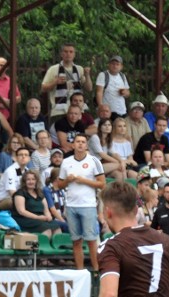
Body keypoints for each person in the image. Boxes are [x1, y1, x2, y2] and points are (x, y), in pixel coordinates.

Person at [55, 134, 105, 270]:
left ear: (87, 145)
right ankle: (80, 271)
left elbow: (102, 184)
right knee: (76, 241)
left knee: (91, 240)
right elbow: (59, 185)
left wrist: (83, 181)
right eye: (78, 142)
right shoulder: (66, 162)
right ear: (73, 145)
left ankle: (96, 271)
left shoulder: (94, 161)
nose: (80, 144)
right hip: (71, 205)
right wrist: (68, 181)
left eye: (83, 142)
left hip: (88, 205)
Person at [41, 43, 92, 120]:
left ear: (74, 54)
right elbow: (43, 88)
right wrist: (55, 82)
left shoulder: (79, 69)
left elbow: (89, 88)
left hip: (77, 111)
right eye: (66, 51)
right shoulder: (53, 69)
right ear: (61, 54)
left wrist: (87, 75)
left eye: (71, 52)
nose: (68, 54)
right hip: (59, 111)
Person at [11, 170, 62, 238]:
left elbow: (46, 210)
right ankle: (41, 246)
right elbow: (21, 211)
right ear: (24, 181)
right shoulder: (20, 193)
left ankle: (55, 247)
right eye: (28, 179)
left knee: (56, 227)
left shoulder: (40, 194)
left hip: (40, 218)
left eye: (33, 179)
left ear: (36, 181)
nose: (31, 181)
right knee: (46, 229)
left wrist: (48, 217)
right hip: (24, 219)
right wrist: (37, 217)